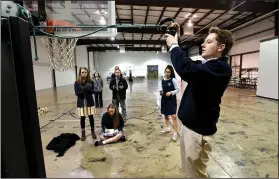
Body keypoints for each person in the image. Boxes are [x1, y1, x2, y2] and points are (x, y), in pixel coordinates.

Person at [165, 24, 234, 178]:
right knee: (190, 171)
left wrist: (174, 46)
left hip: (198, 132)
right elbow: (187, 63)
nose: (203, 44)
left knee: (196, 174)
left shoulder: (220, 69)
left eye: (209, 42)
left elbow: (185, 68)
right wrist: (176, 37)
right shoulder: (207, 65)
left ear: (221, 47)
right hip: (189, 128)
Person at [74, 67, 97, 141]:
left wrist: (89, 90)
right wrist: (83, 90)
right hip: (81, 103)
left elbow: (94, 91)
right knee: (82, 118)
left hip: (90, 102)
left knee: (91, 118)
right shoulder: (77, 82)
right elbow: (77, 93)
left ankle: (93, 131)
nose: (84, 74)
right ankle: (83, 133)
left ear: (87, 73)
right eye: (82, 72)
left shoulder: (91, 82)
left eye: (85, 72)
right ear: (80, 73)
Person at [159, 65, 180, 141]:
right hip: (164, 99)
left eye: (168, 72)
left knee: (174, 116)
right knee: (165, 114)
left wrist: (171, 92)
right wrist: (161, 92)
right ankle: (168, 128)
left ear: (171, 73)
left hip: (171, 100)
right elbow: (161, 88)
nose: (167, 73)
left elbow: (178, 90)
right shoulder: (162, 80)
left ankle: (175, 132)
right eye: (166, 71)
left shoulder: (173, 80)